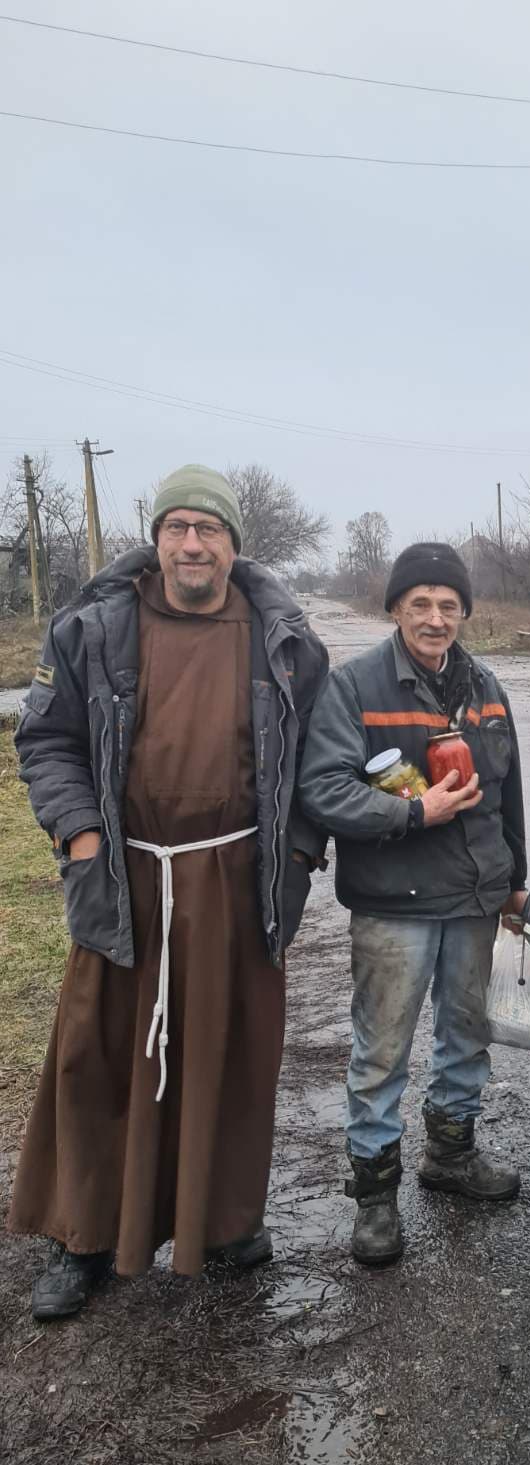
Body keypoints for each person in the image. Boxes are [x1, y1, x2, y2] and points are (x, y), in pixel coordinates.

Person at [8, 464, 328, 1320]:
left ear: (233, 543)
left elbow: (318, 764)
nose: (193, 544)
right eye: (178, 526)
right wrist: (79, 836)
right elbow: (46, 741)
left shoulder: (281, 636)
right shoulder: (96, 625)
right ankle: (80, 1235)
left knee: (231, 1048)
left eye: (210, 529)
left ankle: (221, 1221)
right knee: (98, 1050)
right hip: (125, 871)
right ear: (156, 539)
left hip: (236, 873)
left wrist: (296, 857)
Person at [299, 542, 526, 1266]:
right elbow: (324, 788)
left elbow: (508, 794)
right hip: (394, 902)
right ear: (395, 608)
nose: (435, 618)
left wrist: (515, 880)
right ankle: (374, 1196)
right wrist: (410, 813)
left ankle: (451, 1156)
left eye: (449, 605)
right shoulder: (356, 685)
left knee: (468, 1036)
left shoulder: (485, 684)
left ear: (464, 612)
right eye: (420, 603)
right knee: (382, 1051)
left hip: (473, 898)